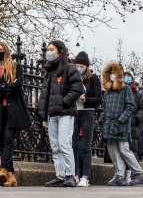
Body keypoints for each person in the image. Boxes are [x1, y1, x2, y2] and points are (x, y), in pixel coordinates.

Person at [38, 41, 84, 187]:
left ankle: (71, 175)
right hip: (52, 114)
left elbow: (78, 89)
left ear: (60, 51)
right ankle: (60, 175)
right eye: (48, 50)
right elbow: (45, 94)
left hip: (65, 113)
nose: (48, 52)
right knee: (55, 146)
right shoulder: (49, 71)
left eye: (51, 49)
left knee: (64, 144)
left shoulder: (70, 68)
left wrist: (65, 101)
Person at [100, 61, 143, 186]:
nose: (113, 75)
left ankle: (139, 173)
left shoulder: (126, 89)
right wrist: (102, 119)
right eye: (111, 73)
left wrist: (122, 119)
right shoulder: (108, 91)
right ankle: (119, 176)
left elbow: (130, 106)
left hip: (121, 124)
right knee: (113, 151)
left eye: (115, 73)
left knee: (124, 149)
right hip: (109, 124)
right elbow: (105, 107)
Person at [0, 42, 31, 187]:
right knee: (2, 141)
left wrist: (3, 86)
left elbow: (17, 85)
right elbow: (11, 86)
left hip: (12, 110)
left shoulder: (15, 67)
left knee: (8, 139)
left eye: (0, 50)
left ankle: (3, 170)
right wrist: (6, 86)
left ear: (5, 51)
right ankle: (10, 175)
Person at [72, 51, 102, 187]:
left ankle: (85, 176)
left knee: (86, 146)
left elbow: (98, 99)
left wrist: (84, 98)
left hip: (87, 113)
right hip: (74, 112)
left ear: (87, 66)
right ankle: (75, 175)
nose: (79, 68)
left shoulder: (93, 79)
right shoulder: (71, 77)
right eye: (77, 65)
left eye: (82, 65)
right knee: (73, 147)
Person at [123, 71, 143, 184]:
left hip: (132, 125)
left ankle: (128, 176)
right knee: (120, 151)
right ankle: (120, 175)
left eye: (128, 77)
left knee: (131, 151)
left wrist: (137, 119)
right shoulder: (118, 91)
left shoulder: (137, 94)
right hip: (120, 124)